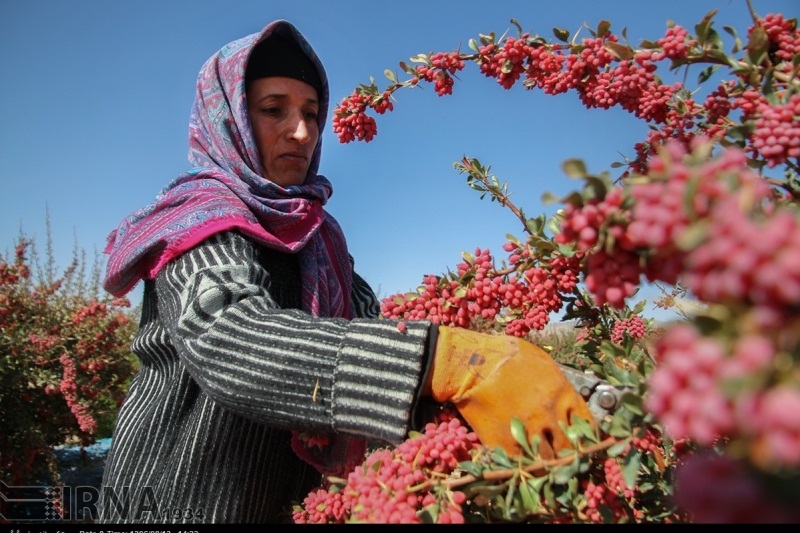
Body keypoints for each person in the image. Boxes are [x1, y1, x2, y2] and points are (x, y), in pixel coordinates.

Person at [97, 19, 595, 524]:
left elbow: (365, 334)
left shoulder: (321, 241)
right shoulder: (199, 223)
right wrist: (449, 361)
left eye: (312, 114)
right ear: (231, 120)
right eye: (274, 110)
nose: (301, 132)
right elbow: (231, 338)